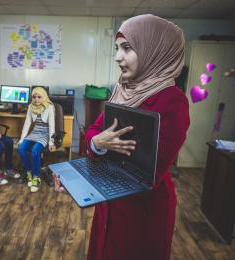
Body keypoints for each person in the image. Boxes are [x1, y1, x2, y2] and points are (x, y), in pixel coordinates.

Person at [54, 14, 190, 260]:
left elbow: (143, 171)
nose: (117, 57)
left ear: (154, 50)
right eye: (117, 48)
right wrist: (97, 145)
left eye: (127, 48)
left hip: (143, 213)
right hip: (111, 204)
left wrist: (82, 180)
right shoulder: (122, 90)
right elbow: (95, 133)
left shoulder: (172, 102)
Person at [18, 87, 56, 193]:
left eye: (39, 97)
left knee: (35, 151)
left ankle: (36, 177)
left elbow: (52, 125)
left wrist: (51, 142)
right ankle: (29, 172)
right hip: (35, 132)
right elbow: (27, 123)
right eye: (34, 97)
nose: (36, 99)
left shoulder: (49, 106)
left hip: (45, 133)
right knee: (21, 148)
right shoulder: (31, 106)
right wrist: (22, 139)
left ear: (44, 97)